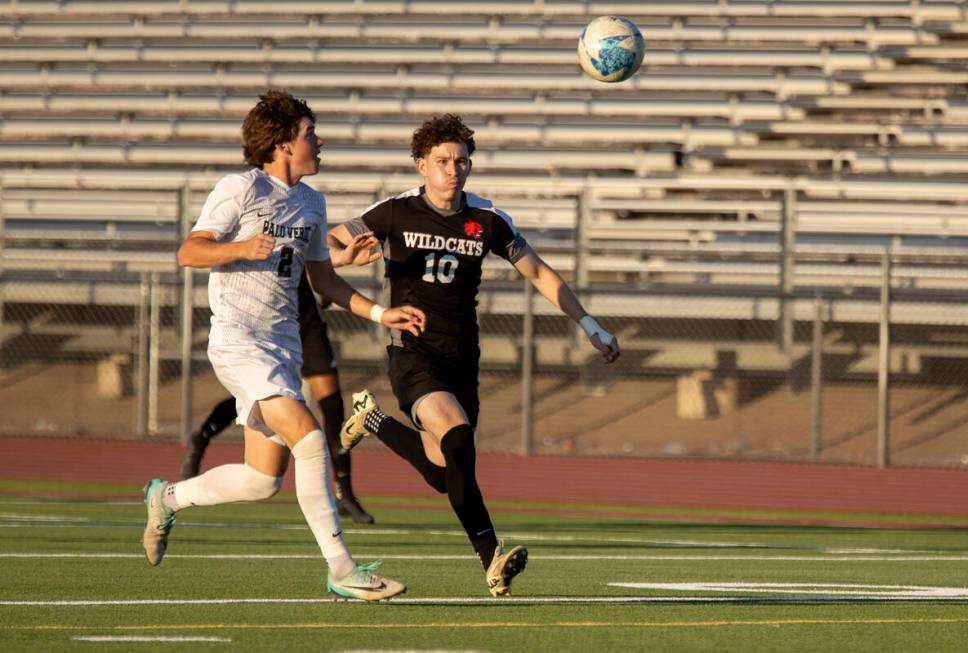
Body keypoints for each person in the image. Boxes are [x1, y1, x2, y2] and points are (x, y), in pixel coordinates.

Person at [142, 89, 425, 601]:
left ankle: (168, 497)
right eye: (309, 133)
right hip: (238, 341)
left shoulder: (313, 203)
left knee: (261, 479)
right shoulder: (241, 187)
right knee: (312, 438)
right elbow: (190, 251)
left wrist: (382, 311)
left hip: (282, 347)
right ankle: (342, 569)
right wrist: (239, 247)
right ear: (281, 144)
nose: (318, 141)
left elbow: (323, 282)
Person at [328, 114, 620, 597]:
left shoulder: (486, 219)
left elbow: (541, 274)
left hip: (461, 357)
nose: (453, 169)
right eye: (442, 160)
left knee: (445, 475)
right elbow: (329, 244)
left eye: (462, 161)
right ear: (421, 165)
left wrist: (590, 325)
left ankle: (373, 420)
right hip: (412, 353)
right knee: (459, 438)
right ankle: (491, 557)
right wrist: (344, 257)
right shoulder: (395, 212)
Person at [180, 274, 375, 524]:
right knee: (261, 397)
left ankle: (345, 493)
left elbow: (318, 256)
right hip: (268, 325)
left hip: (305, 320)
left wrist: (329, 277)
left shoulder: (308, 234)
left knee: (332, 404)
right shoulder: (259, 237)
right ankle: (203, 435)